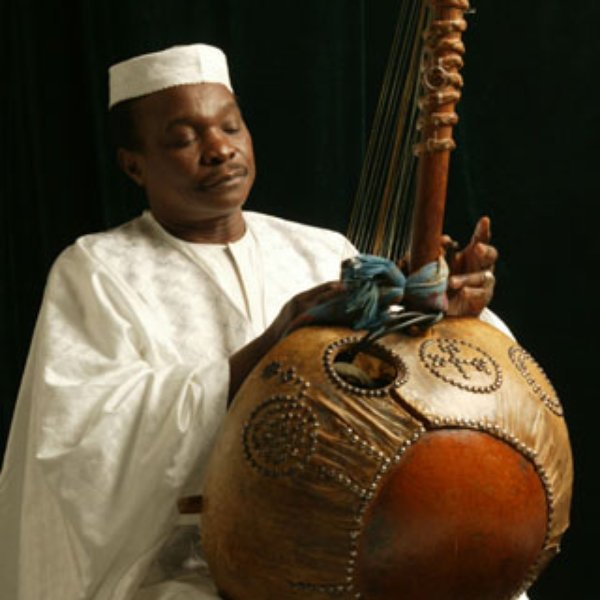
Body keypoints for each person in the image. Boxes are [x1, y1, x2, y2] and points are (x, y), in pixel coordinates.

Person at [0, 44, 524, 600]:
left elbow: (403, 383)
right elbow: (83, 443)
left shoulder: (319, 249)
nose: (219, 150)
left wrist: (448, 317)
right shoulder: (98, 268)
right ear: (134, 164)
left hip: (349, 537)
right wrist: (275, 343)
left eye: (230, 127)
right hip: (190, 559)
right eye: (183, 138)